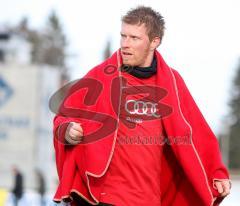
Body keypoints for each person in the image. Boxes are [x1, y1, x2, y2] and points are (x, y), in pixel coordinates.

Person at [52, 6, 231, 206]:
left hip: (150, 198)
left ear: (155, 41)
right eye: (123, 36)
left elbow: (196, 131)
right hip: (106, 196)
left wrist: (216, 172)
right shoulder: (100, 76)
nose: (125, 44)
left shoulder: (171, 82)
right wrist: (67, 130)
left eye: (134, 38)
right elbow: (64, 117)